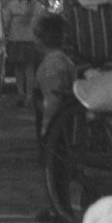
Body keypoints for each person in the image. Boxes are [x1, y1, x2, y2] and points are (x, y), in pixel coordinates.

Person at [32, 11, 77, 139]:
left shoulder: (51, 66)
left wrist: (47, 129)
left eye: (36, 36)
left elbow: (52, 100)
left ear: (42, 39)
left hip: (57, 132)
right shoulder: (64, 60)